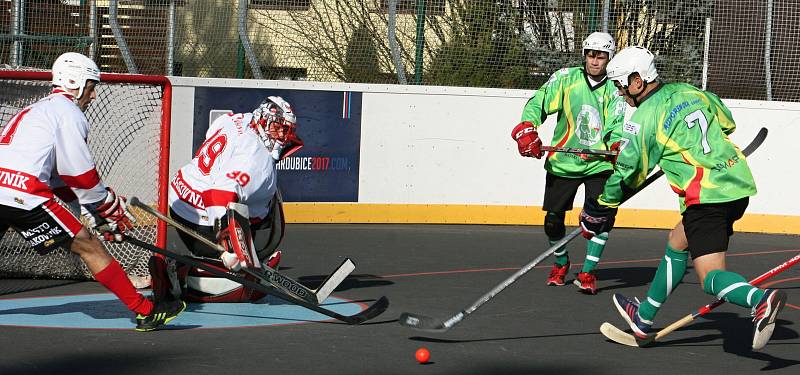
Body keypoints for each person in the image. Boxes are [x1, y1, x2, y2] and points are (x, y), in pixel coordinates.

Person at [579, 46, 787, 350]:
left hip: (706, 197)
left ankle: (759, 300)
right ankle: (644, 317)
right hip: (736, 185)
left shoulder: (644, 118)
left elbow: (628, 173)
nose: (620, 93)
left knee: (710, 277)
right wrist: (682, 147)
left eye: (620, 85)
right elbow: (727, 123)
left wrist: (599, 208)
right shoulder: (691, 91)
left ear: (637, 81)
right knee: (678, 239)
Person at [0, 52, 185, 331]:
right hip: (25, 193)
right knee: (90, 246)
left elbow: (60, 181)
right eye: (91, 86)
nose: (94, 95)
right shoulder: (69, 113)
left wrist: (94, 212)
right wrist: (104, 206)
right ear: (75, 81)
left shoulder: (34, 110)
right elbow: (79, 175)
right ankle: (146, 311)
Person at [152, 96, 303, 303]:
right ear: (263, 122)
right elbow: (218, 193)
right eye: (277, 128)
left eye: (285, 130)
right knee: (240, 282)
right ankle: (176, 275)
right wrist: (228, 246)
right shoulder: (257, 162)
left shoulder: (238, 119)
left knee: (259, 202)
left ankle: (203, 266)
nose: (282, 137)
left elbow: (212, 136)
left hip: (181, 193)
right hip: (201, 213)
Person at [512, 32, 625, 294]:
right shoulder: (566, 78)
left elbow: (616, 124)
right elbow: (539, 101)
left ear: (610, 58)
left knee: (602, 219)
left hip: (599, 163)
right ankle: (561, 262)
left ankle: (588, 272)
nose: (595, 61)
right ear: (585, 55)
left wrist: (617, 146)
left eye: (601, 56)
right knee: (553, 220)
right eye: (591, 55)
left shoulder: (614, 88)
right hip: (564, 161)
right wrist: (528, 127)